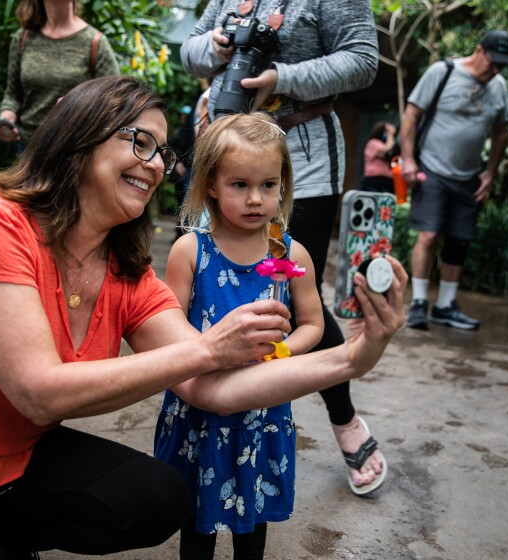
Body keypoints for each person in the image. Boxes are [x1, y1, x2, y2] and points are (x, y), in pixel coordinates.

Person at [0, 76, 407, 560]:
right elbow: (35, 389)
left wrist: (352, 358)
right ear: (80, 137)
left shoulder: (128, 273)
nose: (155, 164)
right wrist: (209, 347)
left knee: (159, 497)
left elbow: (213, 391)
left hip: (9, 462)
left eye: (163, 153)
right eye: (139, 141)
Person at [180, 0, 388, 495]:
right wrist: (214, 46)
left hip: (299, 163)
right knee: (215, 283)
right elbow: (190, 51)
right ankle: (212, 396)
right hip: (225, 157)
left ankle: (343, 420)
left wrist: (281, 76)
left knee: (296, 294)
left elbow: (362, 59)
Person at [154, 112, 324, 559]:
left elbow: (314, 325)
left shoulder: (288, 253)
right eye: (240, 185)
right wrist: (211, 352)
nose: (256, 199)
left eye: (268, 185)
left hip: (261, 411)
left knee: (254, 523)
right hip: (200, 411)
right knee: (197, 524)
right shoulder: (191, 251)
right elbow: (167, 331)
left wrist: (280, 351)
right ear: (211, 183)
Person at [400, 30, 508, 331]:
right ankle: (420, 302)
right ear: (479, 50)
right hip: (433, 169)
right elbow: (411, 115)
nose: (496, 70)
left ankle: (446, 305)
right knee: (429, 235)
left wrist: (490, 171)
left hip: (470, 175)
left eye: (502, 65)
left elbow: (501, 132)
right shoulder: (443, 71)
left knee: (459, 240)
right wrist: (409, 159)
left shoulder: (498, 86)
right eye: (493, 62)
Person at [0, 0, 119, 147]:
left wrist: (77, 107)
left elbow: (114, 101)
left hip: (73, 150)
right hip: (29, 148)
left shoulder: (95, 42)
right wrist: (6, 121)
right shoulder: (24, 38)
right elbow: (13, 95)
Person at [169, 105, 196, 240]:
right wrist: (177, 163)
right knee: (181, 203)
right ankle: (180, 233)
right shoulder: (180, 131)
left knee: (186, 203)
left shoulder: (187, 129)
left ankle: (182, 233)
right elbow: (173, 148)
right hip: (181, 173)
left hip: (187, 171)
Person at [360, 121, 397, 193]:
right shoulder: (373, 143)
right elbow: (387, 150)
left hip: (388, 181)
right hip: (374, 181)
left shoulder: (386, 144)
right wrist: (390, 134)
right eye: (386, 131)